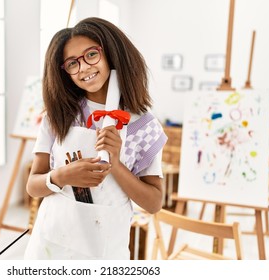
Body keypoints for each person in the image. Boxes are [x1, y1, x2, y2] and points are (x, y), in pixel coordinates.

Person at [24, 17, 167, 260]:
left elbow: (154, 203)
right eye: (72, 63)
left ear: (110, 52)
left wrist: (116, 164)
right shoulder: (58, 116)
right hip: (52, 245)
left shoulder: (142, 124)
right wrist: (61, 176)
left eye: (91, 54)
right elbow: (32, 186)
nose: (83, 68)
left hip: (104, 249)